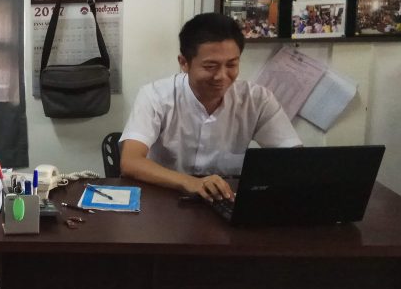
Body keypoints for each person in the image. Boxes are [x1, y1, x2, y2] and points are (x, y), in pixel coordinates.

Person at [118, 13, 300, 201]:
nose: (221, 76)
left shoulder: (257, 99)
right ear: (184, 63)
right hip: (166, 197)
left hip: (226, 198)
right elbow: (130, 162)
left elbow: (296, 161)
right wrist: (189, 182)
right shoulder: (155, 96)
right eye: (210, 66)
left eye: (231, 64)